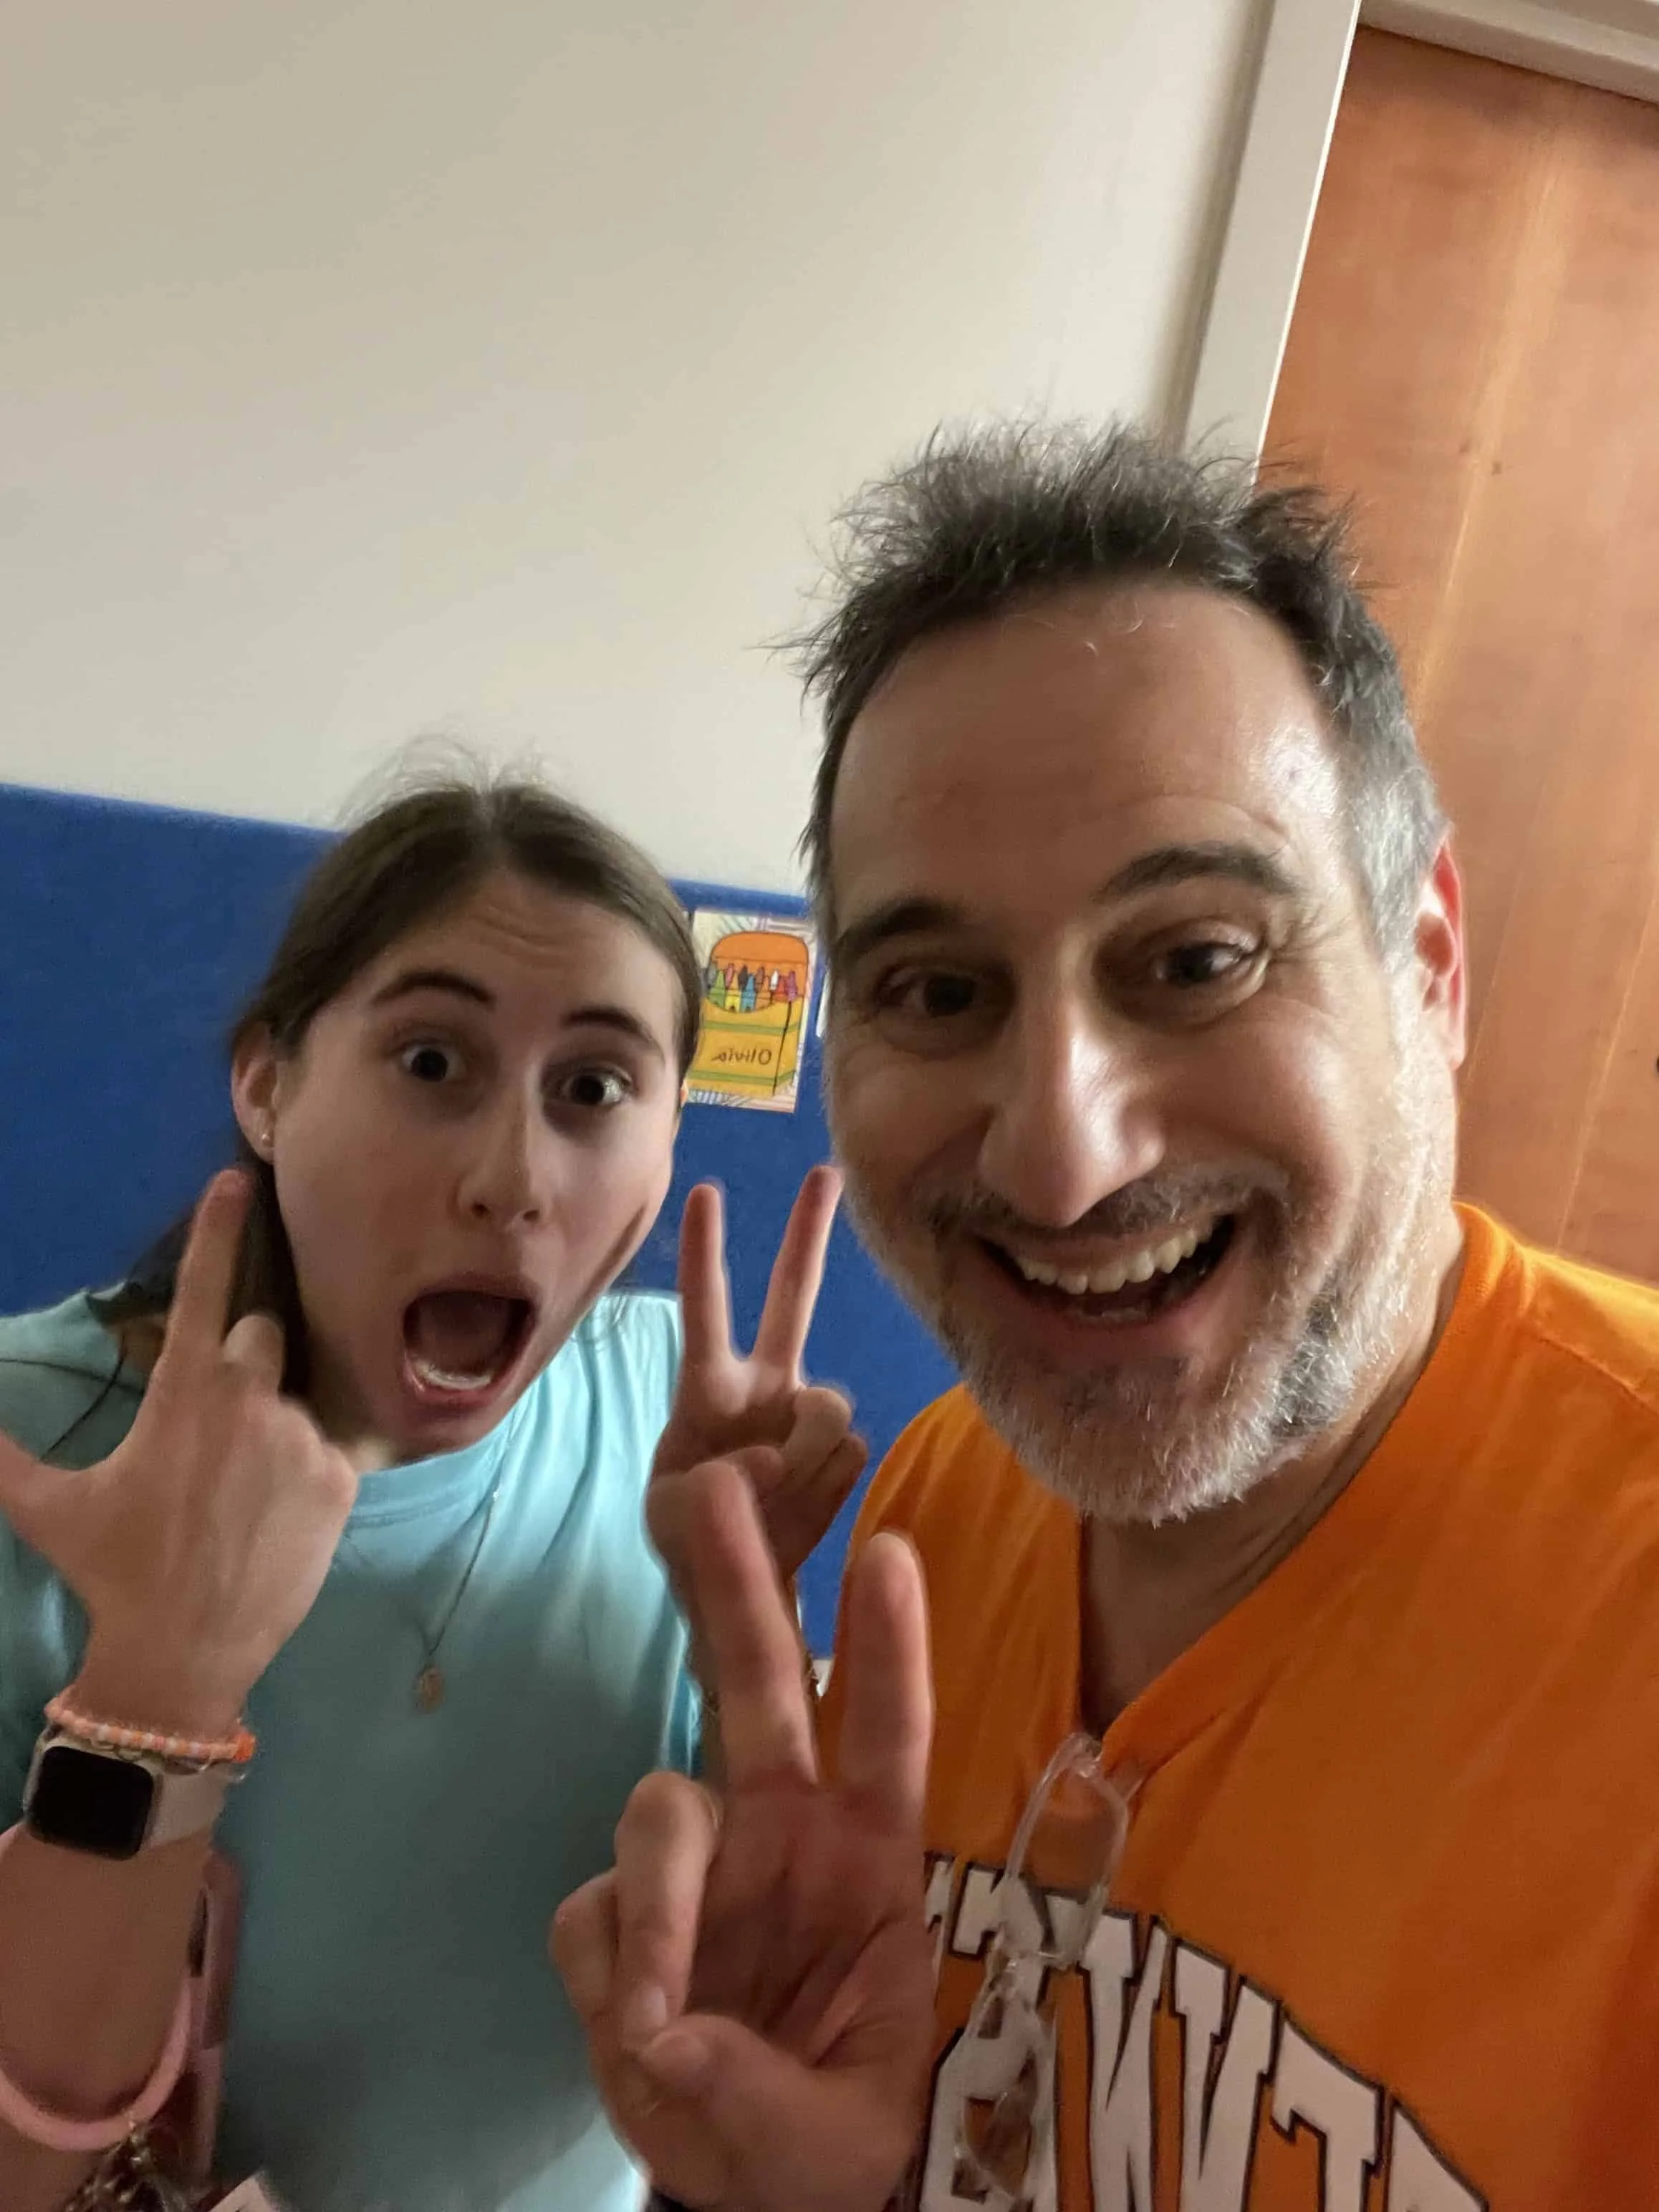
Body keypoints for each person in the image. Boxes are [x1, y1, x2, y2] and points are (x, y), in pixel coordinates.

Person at [560, 421, 1659, 2212]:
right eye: (936, 989)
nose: (1063, 1154)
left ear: (1431, 963)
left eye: (1198, 956)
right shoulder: (940, 1511)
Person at [0, 775, 862, 2212]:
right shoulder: (37, 1441)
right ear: (269, 1084)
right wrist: (158, 1681)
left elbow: (732, 2018)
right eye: (430, 1061)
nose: (511, 1176)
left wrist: (741, 1621)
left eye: (594, 1088)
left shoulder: (679, 1416)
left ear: (661, 1157)